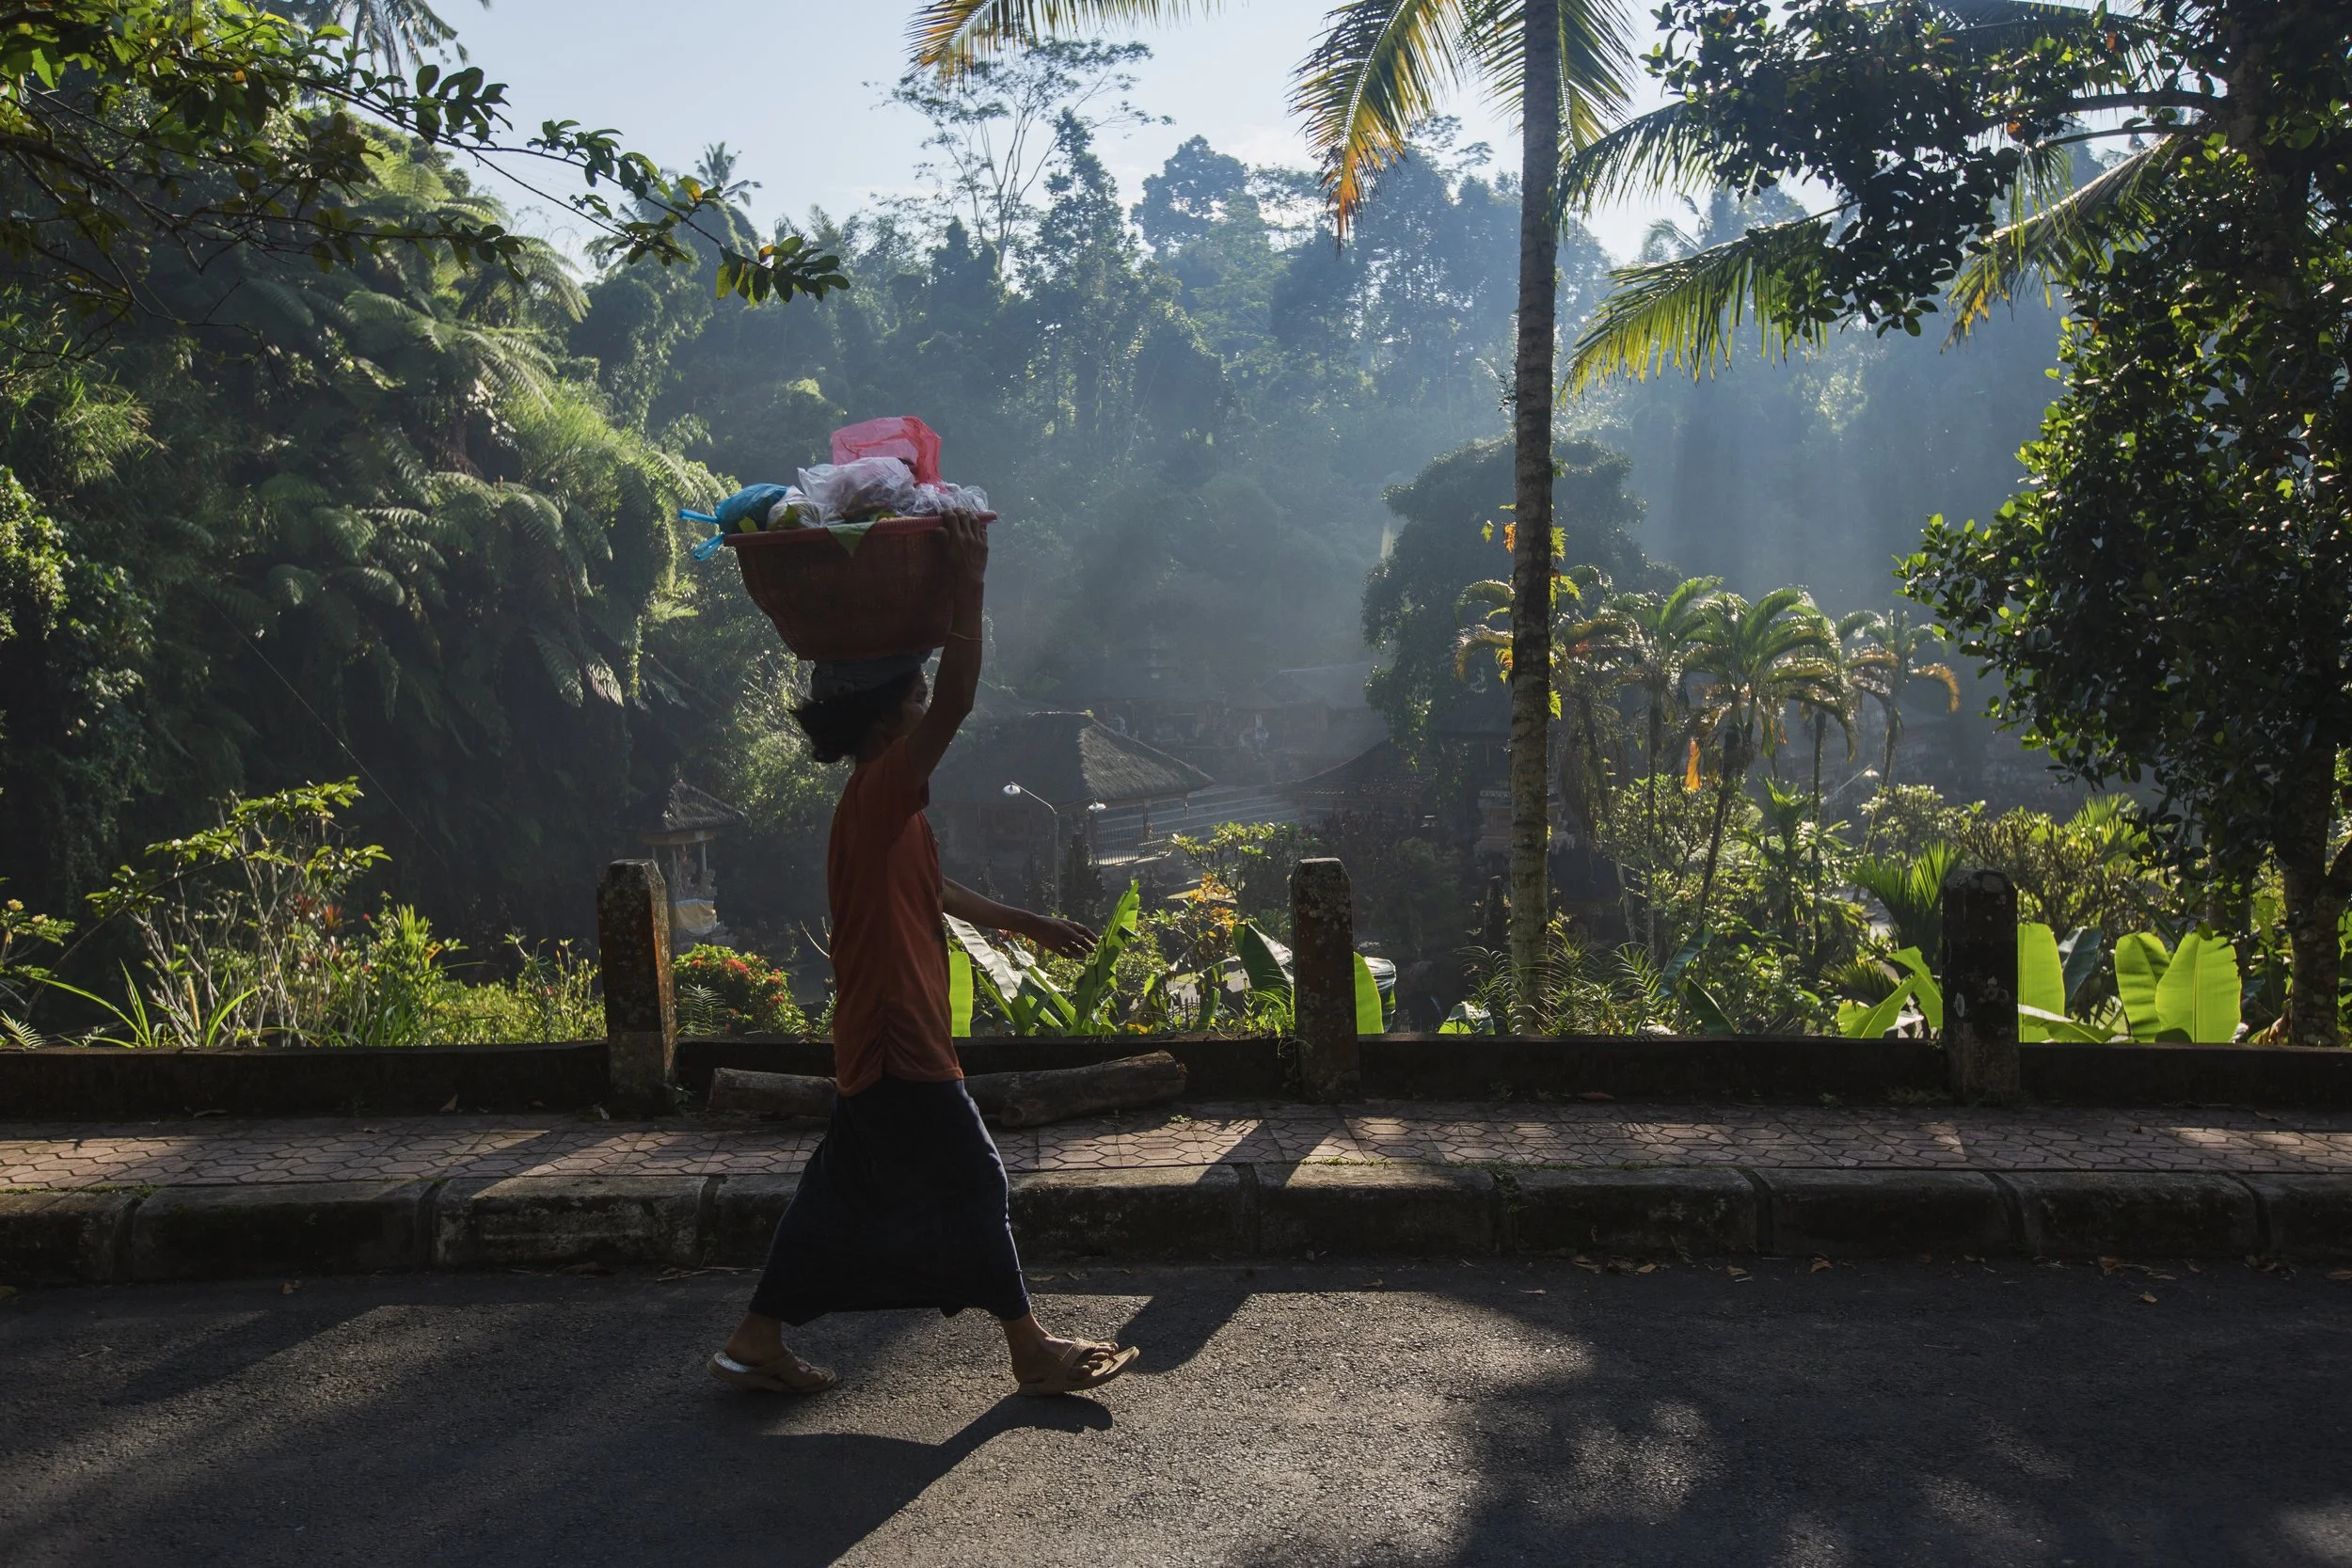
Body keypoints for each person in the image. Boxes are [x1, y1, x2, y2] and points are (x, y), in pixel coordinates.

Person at [708, 513, 1139, 1399]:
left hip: (879, 1038)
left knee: (835, 1192)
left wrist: (1028, 923)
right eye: (908, 702)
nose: (922, 715)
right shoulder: (880, 789)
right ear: (881, 722)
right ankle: (1029, 1349)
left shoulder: (885, 809)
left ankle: (756, 1334)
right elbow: (960, 698)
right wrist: (971, 580)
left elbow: (936, 894)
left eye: (915, 702)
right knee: (977, 1176)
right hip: (899, 1041)